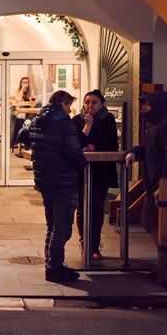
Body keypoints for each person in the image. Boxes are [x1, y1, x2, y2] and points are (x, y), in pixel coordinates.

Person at [19, 89, 86, 282]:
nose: (70, 110)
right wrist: (81, 164)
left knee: (52, 226)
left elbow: (23, 136)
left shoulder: (39, 120)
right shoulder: (66, 125)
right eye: (69, 105)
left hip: (44, 181)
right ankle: (55, 267)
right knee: (62, 227)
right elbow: (74, 155)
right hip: (63, 182)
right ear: (63, 104)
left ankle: (52, 264)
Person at [126, 90, 167, 243]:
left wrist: (165, 184)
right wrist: (134, 152)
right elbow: (148, 147)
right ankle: (166, 252)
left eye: (148, 104)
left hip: (165, 183)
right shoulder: (157, 124)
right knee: (151, 220)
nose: (145, 108)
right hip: (156, 182)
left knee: (158, 221)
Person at [73, 89, 118, 260]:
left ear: (102, 104)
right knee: (81, 208)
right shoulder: (77, 120)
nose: (90, 106)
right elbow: (75, 144)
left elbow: (112, 144)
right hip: (81, 170)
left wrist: (93, 147)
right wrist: (88, 126)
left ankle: (94, 246)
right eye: (87, 102)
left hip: (101, 170)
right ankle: (84, 243)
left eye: (94, 102)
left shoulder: (108, 119)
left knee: (97, 208)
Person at [11, 76, 36, 155]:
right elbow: (18, 100)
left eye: (26, 82)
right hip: (20, 111)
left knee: (31, 121)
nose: (25, 84)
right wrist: (22, 90)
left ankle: (28, 143)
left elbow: (33, 101)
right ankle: (20, 140)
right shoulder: (17, 90)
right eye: (23, 82)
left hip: (28, 111)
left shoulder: (31, 91)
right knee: (21, 121)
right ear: (21, 83)